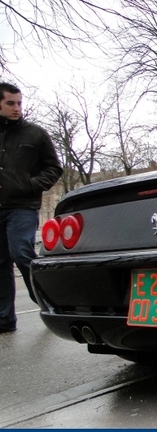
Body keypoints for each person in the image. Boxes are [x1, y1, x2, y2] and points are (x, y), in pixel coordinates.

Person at [0, 82, 63, 333]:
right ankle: (5, 319)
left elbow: (54, 168)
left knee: (21, 253)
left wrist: (31, 184)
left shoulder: (35, 134)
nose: (17, 108)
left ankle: (49, 304)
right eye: (10, 103)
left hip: (22, 206)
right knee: (0, 262)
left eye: (19, 103)